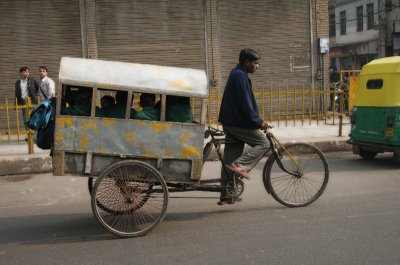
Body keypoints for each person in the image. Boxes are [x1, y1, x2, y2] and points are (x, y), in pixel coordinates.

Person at [218, 48, 270, 206]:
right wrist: (258, 122)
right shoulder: (239, 76)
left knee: (230, 159)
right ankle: (239, 165)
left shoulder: (238, 74)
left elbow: (246, 103)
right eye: (255, 63)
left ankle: (226, 194)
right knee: (264, 143)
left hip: (232, 121)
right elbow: (245, 104)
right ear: (247, 62)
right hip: (236, 123)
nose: (257, 66)